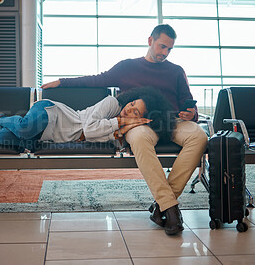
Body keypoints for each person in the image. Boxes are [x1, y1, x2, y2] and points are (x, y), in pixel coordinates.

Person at [41, 24, 208, 235]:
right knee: (138, 139)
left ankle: (164, 204)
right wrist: (61, 82)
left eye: (169, 49)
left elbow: (187, 102)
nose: (164, 53)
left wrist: (192, 114)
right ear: (150, 41)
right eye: (162, 46)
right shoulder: (127, 67)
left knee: (199, 137)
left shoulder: (176, 71)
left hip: (171, 120)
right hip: (138, 123)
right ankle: (170, 207)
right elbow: (96, 80)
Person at [0, 87, 176, 153]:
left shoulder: (124, 131)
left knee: (5, 139)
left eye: (136, 112)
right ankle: (4, 118)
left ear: (143, 119)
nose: (130, 109)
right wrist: (121, 123)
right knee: (24, 128)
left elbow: (96, 137)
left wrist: (124, 128)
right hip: (52, 113)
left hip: (48, 137)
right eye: (133, 103)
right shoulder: (111, 103)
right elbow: (89, 128)